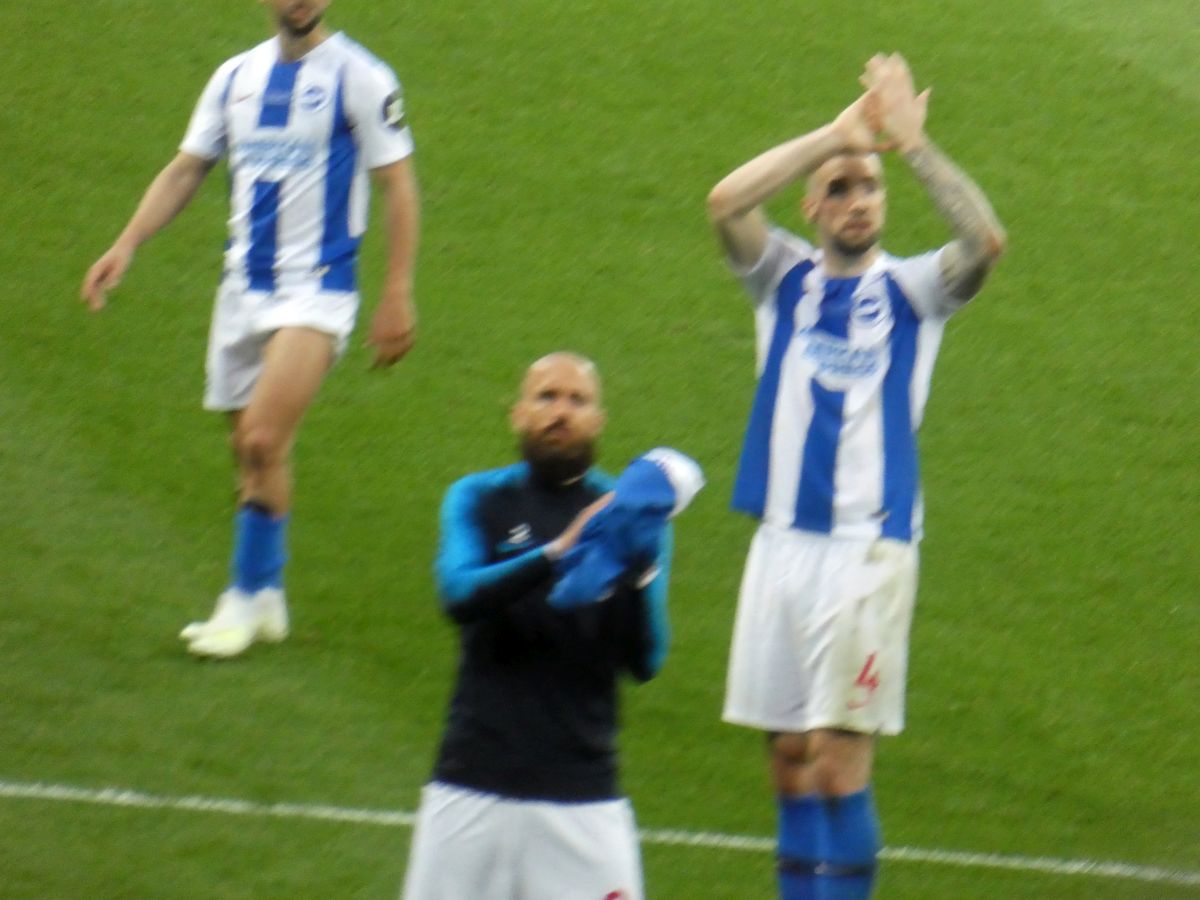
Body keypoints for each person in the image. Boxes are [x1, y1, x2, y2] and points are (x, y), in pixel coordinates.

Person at [706, 53, 1006, 899]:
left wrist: (911, 148)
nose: (856, 201)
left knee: (839, 766)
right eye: (839, 188)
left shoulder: (914, 293)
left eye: (868, 187)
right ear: (813, 206)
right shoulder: (783, 281)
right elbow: (726, 202)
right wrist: (833, 137)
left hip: (867, 552)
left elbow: (984, 242)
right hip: (781, 546)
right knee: (790, 763)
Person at [80, 0, 420, 658]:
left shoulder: (361, 77)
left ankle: (237, 601)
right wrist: (126, 244)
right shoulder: (235, 77)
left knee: (263, 438)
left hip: (316, 290)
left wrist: (397, 290)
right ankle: (266, 596)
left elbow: (397, 185)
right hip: (242, 289)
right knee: (250, 451)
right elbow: (187, 168)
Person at [401, 352, 702, 900]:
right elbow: (459, 593)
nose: (560, 412)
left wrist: (638, 572)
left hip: (582, 797)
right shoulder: (478, 498)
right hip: (471, 788)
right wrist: (559, 552)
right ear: (517, 413)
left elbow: (647, 659)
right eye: (546, 397)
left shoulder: (629, 517)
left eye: (577, 400)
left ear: (599, 420)